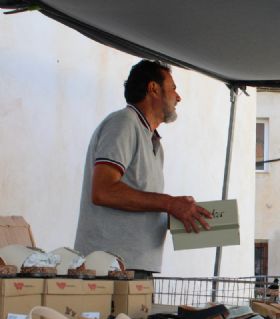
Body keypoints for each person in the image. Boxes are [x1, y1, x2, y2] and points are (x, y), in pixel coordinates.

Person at [74, 60, 212, 278]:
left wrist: (182, 215)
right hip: (110, 268)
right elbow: (103, 191)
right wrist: (169, 203)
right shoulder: (123, 123)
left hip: (135, 267)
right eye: (173, 88)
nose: (178, 97)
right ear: (153, 89)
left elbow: (140, 202)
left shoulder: (152, 140)